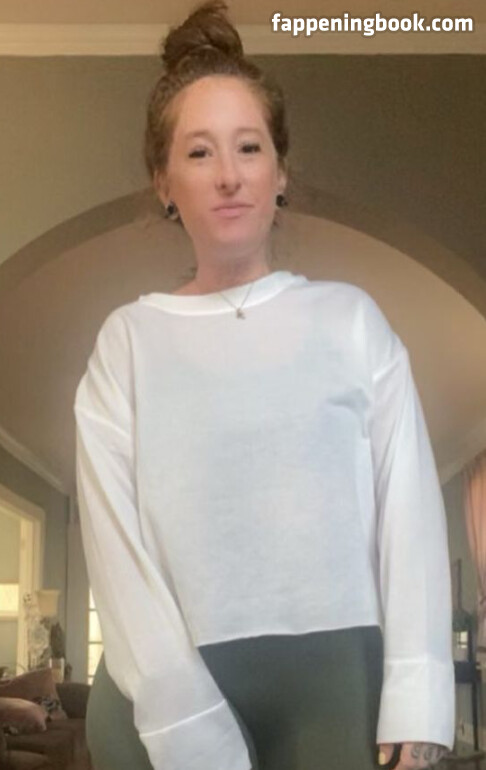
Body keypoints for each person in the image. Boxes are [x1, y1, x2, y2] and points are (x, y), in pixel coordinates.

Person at [73, 2, 455, 769]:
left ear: (280, 172)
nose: (229, 175)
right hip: (163, 694)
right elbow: (112, 542)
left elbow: (408, 508)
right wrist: (185, 722)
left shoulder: (351, 321)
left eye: (249, 147)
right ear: (163, 182)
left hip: (338, 684)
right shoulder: (127, 342)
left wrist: (418, 687)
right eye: (199, 152)